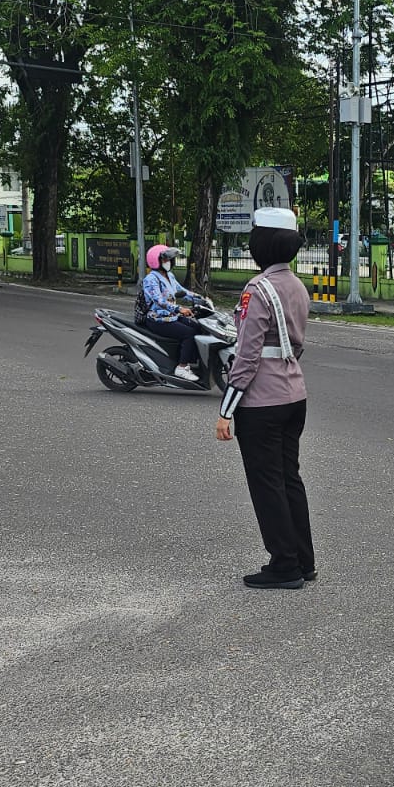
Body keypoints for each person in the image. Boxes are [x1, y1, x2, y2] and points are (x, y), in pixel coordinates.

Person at [215, 207, 315, 590]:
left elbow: (247, 354)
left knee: (266, 482)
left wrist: (226, 410)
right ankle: (303, 560)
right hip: (295, 395)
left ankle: (284, 564)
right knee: (290, 478)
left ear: (262, 244)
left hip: (262, 402)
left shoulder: (257, 290)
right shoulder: (297, 286)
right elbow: (297, 345)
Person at [138, 244, 203, 382]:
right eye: (165, 260)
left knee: (198, 327)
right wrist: (179, 309)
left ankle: (192, 362)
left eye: (169, 260)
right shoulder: (150, 280)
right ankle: (182, 366)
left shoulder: (169, 276)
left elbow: (182, 292)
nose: (169, 262)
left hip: (172, 317)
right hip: (158, 320)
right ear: (156, 261)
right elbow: (159, 300)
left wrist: (200, 298)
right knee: (188, 333)